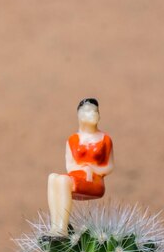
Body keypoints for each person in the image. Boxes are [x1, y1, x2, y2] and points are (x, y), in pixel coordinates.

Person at [46, 98, 115, 238]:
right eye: (89, 111)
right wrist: (83, 169)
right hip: (78, 176)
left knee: (64, 181)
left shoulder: (105, 139)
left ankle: (61, 230)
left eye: (96, 111)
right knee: (53, 178)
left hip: (94, 181)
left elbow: (110, 167)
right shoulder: (72, 139)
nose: (94, 114)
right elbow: (69, 165)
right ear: (80, 115)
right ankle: (55, 227)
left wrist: (93, 169)